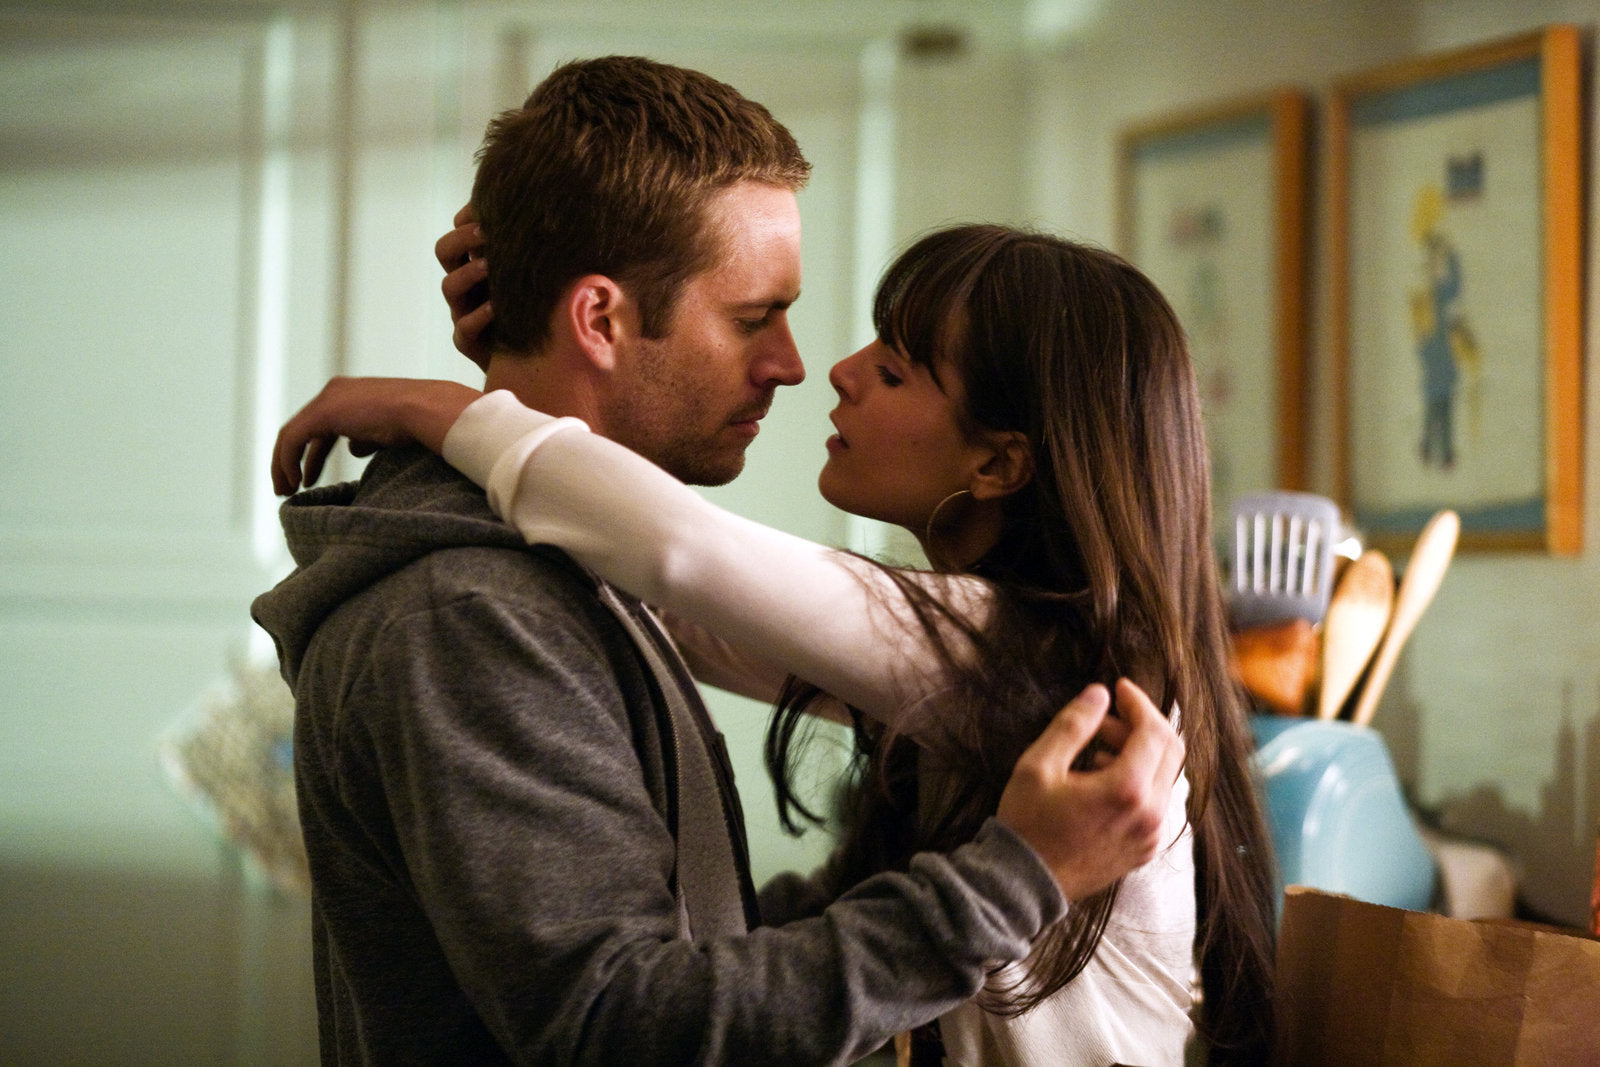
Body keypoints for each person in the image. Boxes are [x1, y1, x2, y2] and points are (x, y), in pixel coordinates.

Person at [255, 56, 1185, 1066]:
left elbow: (680, 557)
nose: (805, 365)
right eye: (753, 317)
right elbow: (620, 1015)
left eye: (893, 369)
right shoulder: (471, 612)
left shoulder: (1014, 651)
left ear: (1002, 461)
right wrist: (512, 378)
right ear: (600, 319)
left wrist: (469, 401)